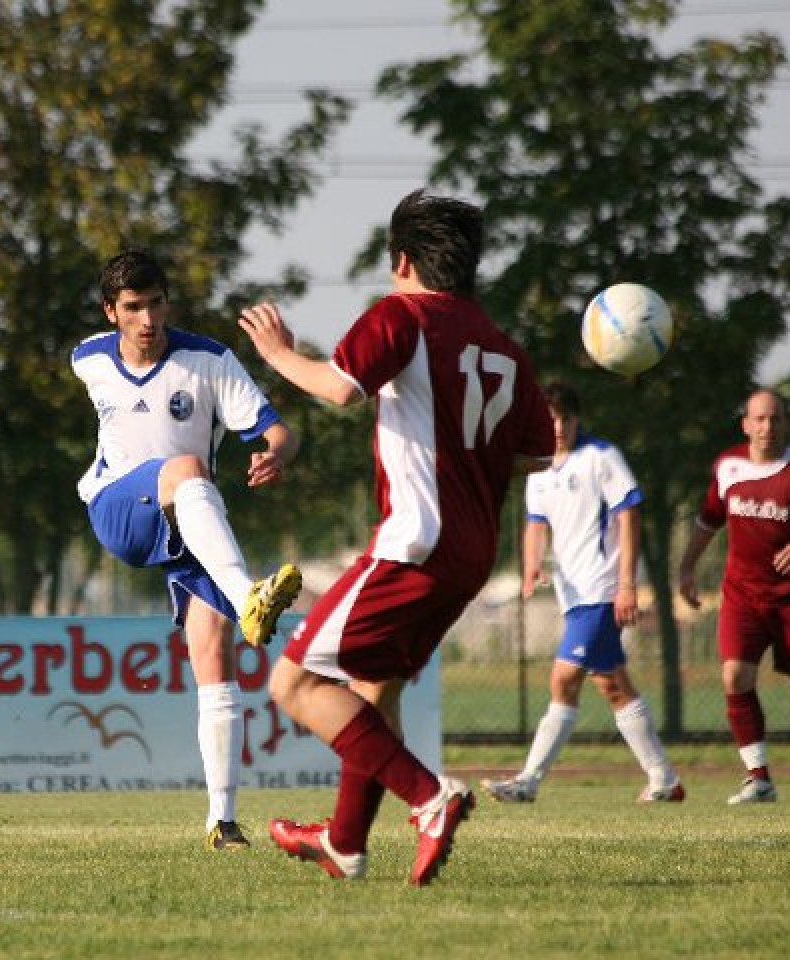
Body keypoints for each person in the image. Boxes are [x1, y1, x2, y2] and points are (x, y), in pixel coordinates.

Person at [237, 189, 555, 886]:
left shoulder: (402, 314)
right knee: (375, 688)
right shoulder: (504, 348)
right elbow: (540, 453)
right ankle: (345, 845)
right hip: (471, 555)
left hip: (415, 539)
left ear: (402, 260)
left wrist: (279, 352)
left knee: (292, 680)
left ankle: (430, 797)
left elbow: (340, 388)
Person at [72, 250, 304, 850]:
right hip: (119, 510)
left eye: (155, 303)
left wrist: (277, 451)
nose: (146, 318)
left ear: (167, 301)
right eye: (132, 307)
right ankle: (247, 593)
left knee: (215, 657)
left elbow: (278, 429)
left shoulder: (209, 361)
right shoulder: (89, 358)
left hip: (190, 515)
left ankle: (222, 823)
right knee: (184, 466)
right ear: (111, 312)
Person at [481, 381, 685, 805]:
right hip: (571, 595)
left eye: (563, 419)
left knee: (563, 678)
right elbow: (536, 523)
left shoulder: (601, 457)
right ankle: (664, 777)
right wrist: (531, 566)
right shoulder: (538, 470)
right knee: (613, 686)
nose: (556, 427)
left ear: (576, 420)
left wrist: (627, 584)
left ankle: (528, 781)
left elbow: (630, 515)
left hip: (601, 589)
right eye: (549, 419)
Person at [677, 387, 790, 805]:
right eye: (759, 419)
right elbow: (708, 519)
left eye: (775, 419)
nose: (767, 427)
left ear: (785, 424)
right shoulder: (728, 466)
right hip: (743, 596)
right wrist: (686, 567)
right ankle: (758, 777)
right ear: (745, 424)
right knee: (735, 676)